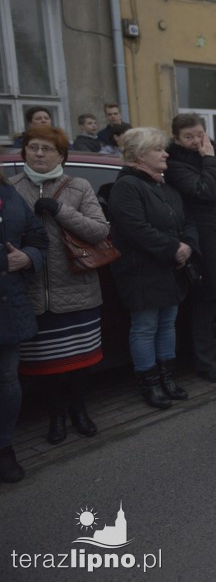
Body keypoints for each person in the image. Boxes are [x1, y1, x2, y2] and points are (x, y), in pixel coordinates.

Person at [11, 126, 110, 444]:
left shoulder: (78, 186)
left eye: (47, 149)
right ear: (24, 151)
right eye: (33, 147)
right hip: (31, 295)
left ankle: (79, 411)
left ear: (61, 156)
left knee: (80, 362)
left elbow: (98, 231)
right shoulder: (10, 188)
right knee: (45, 366)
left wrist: (59, 210)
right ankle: (56, 416)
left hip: (78, 292)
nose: (39, 153)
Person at [108, 127, 198, 409]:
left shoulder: (164, 186)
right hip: (141, 272)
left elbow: (186, 221)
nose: (166, 153)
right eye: (158, 149)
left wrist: (187, 245)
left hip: (169, 269)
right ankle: (150, 383)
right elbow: (136, 229)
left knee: (167, 324)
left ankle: (167, 379)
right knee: (145, 327)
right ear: (138, 155)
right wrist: (174, 248)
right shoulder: (127, 187)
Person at [165, 113, 216, 383]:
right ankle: (205, 363)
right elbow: (205, 190)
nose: (195, 141)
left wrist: (212, 158)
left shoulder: (213, 150)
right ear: (177, 139)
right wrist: (208, 160)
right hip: (201, 239)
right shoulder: (175, 163)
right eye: (188, 137)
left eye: (199, 134)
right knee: (204, 302)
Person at [0, 170, 47, 483]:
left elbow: (38, 238)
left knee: (7, 381)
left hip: (8, 304)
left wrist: (28, 258)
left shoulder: (9, 193)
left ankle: (5, 448)